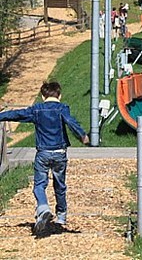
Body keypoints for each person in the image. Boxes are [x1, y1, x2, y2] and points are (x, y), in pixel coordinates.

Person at [0, 82, 89, 233]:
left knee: (39, 185)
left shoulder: (36, 110)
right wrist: (82, 135)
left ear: (43, 96)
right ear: (59, 95)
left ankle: (43, 207)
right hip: (60, 153)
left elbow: (17, 114)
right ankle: (61, 215)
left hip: (43, 153)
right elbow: (70, 121)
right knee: (60, 185)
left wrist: (1, 116)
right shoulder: (62, 108)